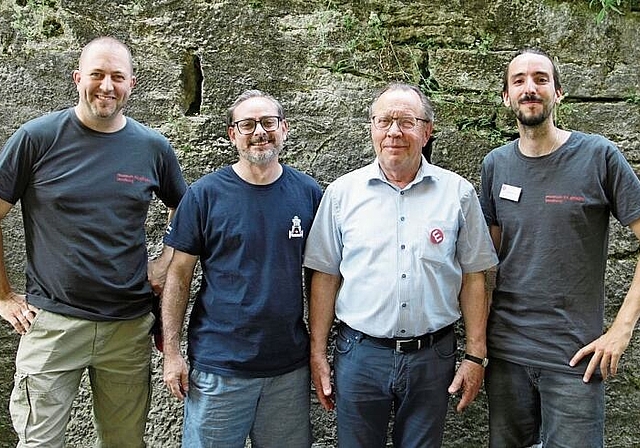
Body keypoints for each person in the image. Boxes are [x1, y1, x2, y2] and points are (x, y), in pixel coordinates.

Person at [0, 36, 187, 447]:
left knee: (124, 443)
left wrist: (164, 260)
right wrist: (4, 296)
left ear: (131, 84)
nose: (107, 86)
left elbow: (184, 211)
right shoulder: (37, 138)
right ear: (77, 78)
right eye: (97, 74)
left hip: (128, 327)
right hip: (53, 324)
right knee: (39, 443)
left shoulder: (153, 147)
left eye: (117, 77)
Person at [304, 82, 498, 447]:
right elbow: (325, 275)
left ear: (426, 132)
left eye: (407, 122)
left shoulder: (458, 194)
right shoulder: (342, 194)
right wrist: (317, 354)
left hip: (432, 357)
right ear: (372, 129)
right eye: (384, 121)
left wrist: (476, 354)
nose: (394, 132)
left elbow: (475, 276)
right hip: (360, 355)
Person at [480, 48, 640, 447]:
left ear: (559, 92)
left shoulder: (598, 156)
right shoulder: (495, 166)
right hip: (506, 359)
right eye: (518, 81)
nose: (529, 88)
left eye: (540, 79)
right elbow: (486, 268)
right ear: (506, 97)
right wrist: (477, 347)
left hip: (575, 360)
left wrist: (620, 332)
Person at [161, 89, 323, 447]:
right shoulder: (204, 195)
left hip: (287, 368)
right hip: (219, 367)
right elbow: (178, 275)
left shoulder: (308, 193)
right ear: (233, 134)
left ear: (285, 129)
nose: (259, 132)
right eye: (247, 124)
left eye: (268, 122)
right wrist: (172, 353)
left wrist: (318, 350)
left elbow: (321, 276)